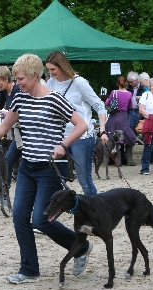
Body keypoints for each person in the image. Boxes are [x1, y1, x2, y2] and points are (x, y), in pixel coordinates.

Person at [0, 53, 91, 284]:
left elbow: (82, 125)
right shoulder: (19, 99)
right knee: (19, 217)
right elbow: (4, 127)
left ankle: (81, 246)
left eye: (21, 78)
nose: (18, 83)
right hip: (27, 166)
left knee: (41, 220)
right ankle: (29, 270)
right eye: (16, 79)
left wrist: (63, 145)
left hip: (51, 168)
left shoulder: (55, 99)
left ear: (35, 76)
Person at [45, 51, 108, 195]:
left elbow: (99, 105)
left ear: (61, 66)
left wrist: (103, 130)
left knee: (84, 179)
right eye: (48, 69)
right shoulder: (50, 83)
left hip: (82, 137)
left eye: (52, 69)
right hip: (60, 137)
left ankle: (95, 212)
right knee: (57, 177)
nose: (50, 73)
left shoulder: (79, 82)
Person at [104, 76, 138, 166]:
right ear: (126, 83)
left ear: (117, 83)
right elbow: (130, 106)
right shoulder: (129, 94)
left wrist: (107, 100)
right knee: (129, 137)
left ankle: (117, 161)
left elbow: (107, 103)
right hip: (123, 117)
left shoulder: (114, 92)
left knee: (114, 138)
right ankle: (129, 159)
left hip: (113, 118)